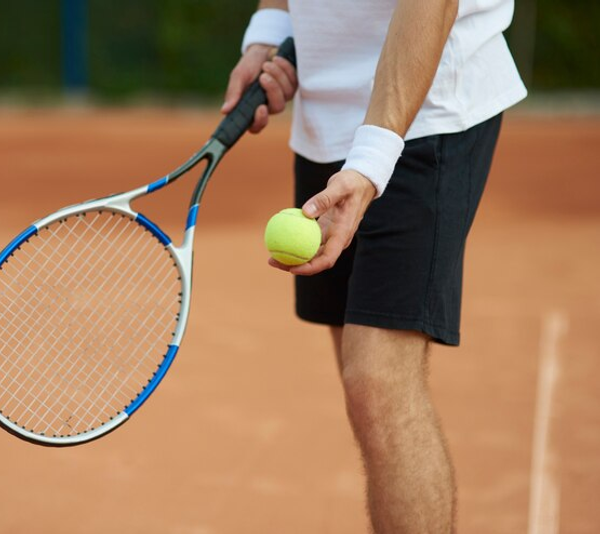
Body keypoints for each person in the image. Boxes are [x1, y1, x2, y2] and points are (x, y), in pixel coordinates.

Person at [222, 0, 526, 532]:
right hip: (326, 111)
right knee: (360, 385)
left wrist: (371, 160)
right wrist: (268, 34)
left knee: (376, 386)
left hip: (427, 107)